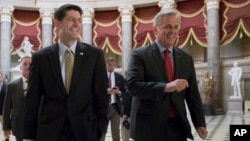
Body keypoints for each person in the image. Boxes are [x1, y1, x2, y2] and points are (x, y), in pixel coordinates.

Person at [22, 4, 109, 141]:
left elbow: (102, 97)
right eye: (71, 19)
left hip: (85, 132)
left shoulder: (94, 55)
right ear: (57, 24)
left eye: (79, 20)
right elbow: (32, 100)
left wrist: (100, 129)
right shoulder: (41, 57)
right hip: (50, 133)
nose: (77, 24)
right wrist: (28, 136)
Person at [126, 9, 207, 141]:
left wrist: (199, 122)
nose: (173, 31)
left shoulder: (186, 58)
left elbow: (192, 94)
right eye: (168, 26)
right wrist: (166, 87)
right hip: (148, 126)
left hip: (177, 126)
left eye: (176, 27)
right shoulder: (139, 55)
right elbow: (133, 86)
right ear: (155, 29)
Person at [2, 56, 31, 141]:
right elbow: (7, 108)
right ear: (20, 67)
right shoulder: (12, 86)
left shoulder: (40, 84)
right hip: (19, 126)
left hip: (36, 126)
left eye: (30, 64)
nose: (28, 66)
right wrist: (5, 127)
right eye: (25, 64)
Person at [100, 57, 126, 141]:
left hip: (115, 107)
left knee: (116, 132)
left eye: (113, 65)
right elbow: (96, 90)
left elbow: (125, 92)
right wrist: (105, 91)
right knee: (102, 131)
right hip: (103, 107)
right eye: (109, 65)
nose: (111, 67)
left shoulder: (119, 77)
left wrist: (119, 92)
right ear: (106, 65)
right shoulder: (100, 76)